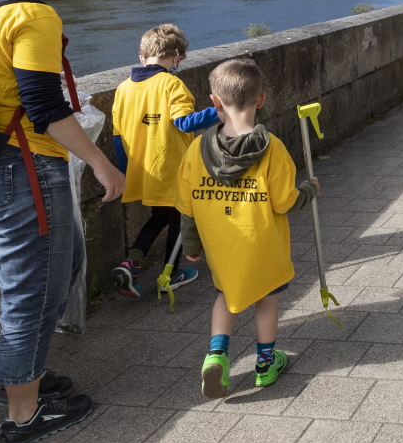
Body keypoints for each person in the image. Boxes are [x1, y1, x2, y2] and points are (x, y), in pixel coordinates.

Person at [0, 0, 125, 443]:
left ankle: (21, 378)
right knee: (34, 290)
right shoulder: (32, 14)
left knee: (60, 267)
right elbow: (45, 108)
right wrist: (101, 163)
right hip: (20, 167)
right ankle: (23, 416)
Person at [177, 59, 320, 399]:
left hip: (222, 246)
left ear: (214, 102)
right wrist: (310, 191)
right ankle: (265, 364)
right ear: (261, 100)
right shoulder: (273, 149)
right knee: (265, 300)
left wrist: (190, 243)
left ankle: (216, 355)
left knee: (226, 296)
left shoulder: (196, 150)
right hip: (263, 247)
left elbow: (186, 204)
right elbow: (284, 202)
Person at [110, 24, 220, 298]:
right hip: (172, 169)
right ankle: (168, 276)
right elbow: (184, 122)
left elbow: (117, 137)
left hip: (142, 170)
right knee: (178, 221)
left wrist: (127, 172)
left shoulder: (123, 89)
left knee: (160, 216)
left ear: (141, 57)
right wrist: (221, 110)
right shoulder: (172, 83)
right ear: (177, 59)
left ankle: (130, 263)